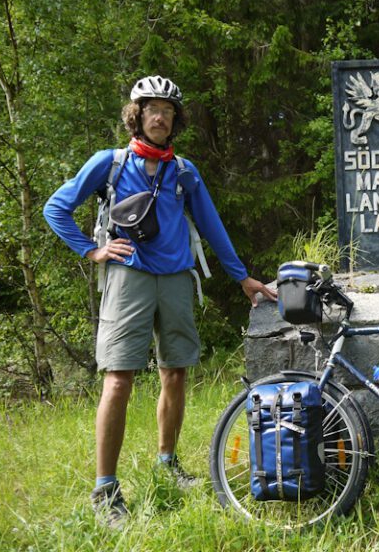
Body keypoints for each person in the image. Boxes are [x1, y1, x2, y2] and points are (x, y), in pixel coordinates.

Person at [44, 75, 276, 527]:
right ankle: (105, 490)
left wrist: (242, 277)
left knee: (175, 374)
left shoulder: (184, 171)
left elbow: (211, 227)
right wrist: (92, 250)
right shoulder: (109, 163)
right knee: (118, 381)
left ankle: (167, 464)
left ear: (175, 121)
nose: (160, 117)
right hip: (128, 278)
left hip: (174, 280)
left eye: (168, 111)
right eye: (152, 109)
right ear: (136, 115)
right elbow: (56, 207)